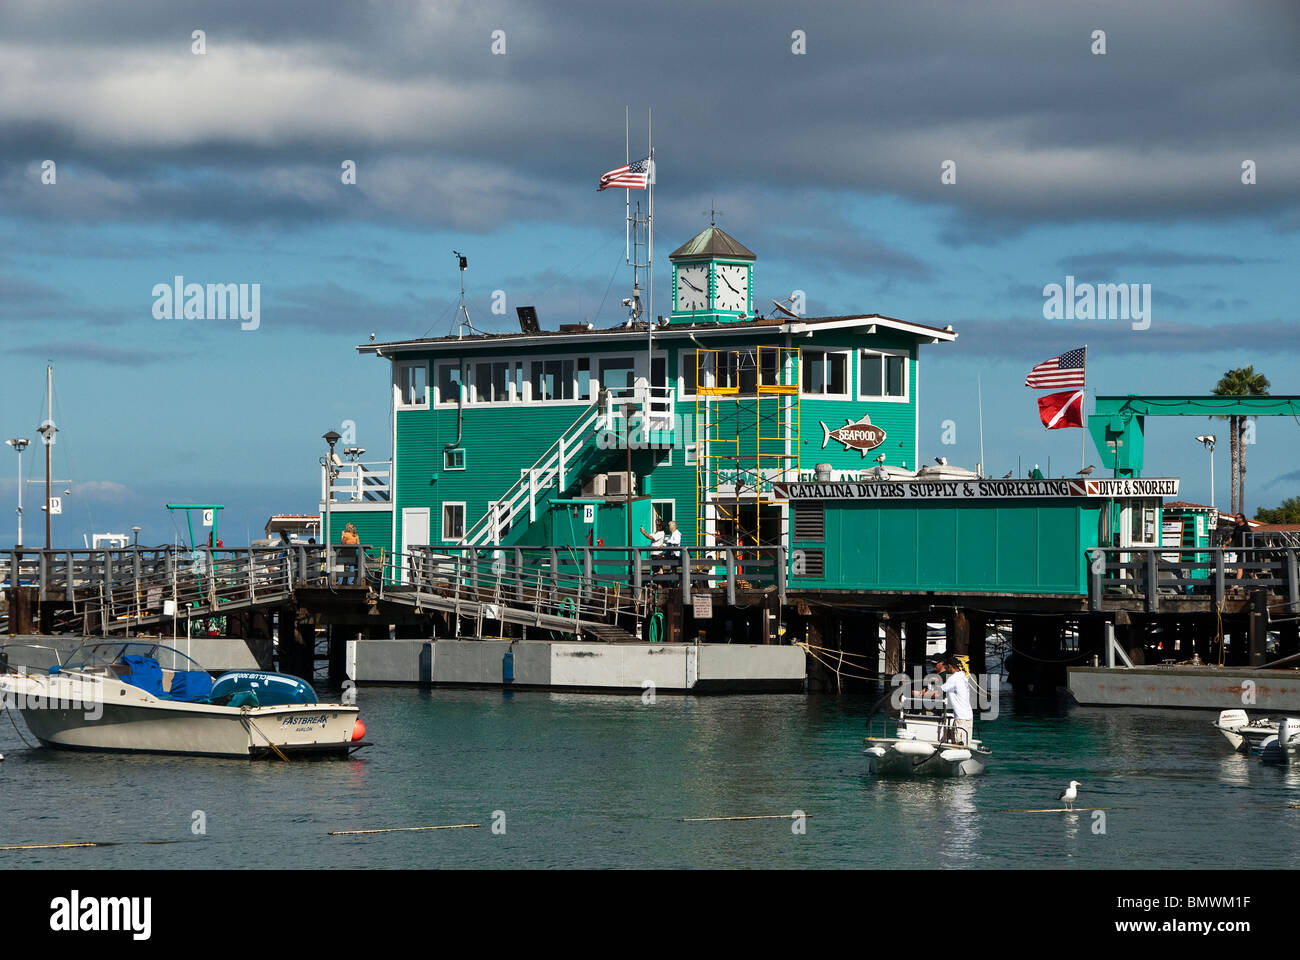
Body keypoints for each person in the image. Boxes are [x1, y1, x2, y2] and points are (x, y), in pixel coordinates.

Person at [935, 656, 975, 745]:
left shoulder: (954, 678)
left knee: (959, 743)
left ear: (949, 666)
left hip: (961, 718)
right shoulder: (963, 677)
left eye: (946, 667)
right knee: (965, 743)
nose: (945, 669)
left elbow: (939, 691)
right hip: (968, 716)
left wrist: (923, 693)